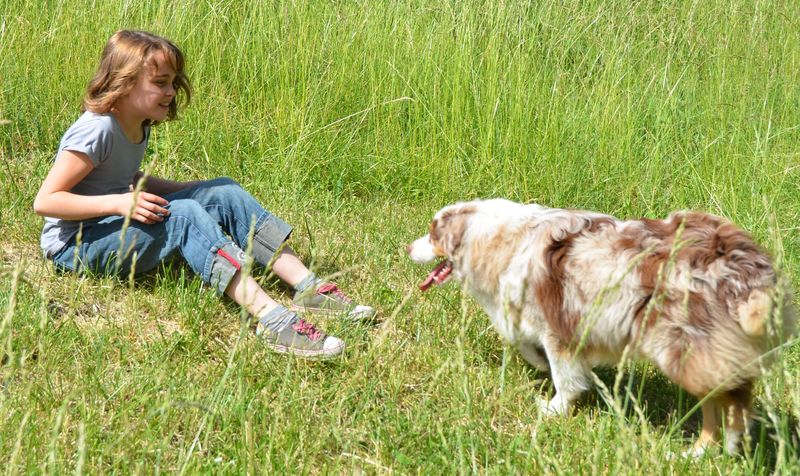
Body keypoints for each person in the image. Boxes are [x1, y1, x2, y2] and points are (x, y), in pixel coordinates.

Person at [33, 30, 374, 360]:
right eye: (160, 82)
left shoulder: (136, 123)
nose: (171, 91)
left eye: (173, 82)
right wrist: (119, 202)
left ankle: (307, 286)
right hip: (75, 246)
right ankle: (272, 319)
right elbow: (46, 201)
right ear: (124, 83)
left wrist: (192, 190)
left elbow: (120, 177)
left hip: (112, 223)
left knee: (222, 191)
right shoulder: (97, 129)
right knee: (184, 217)